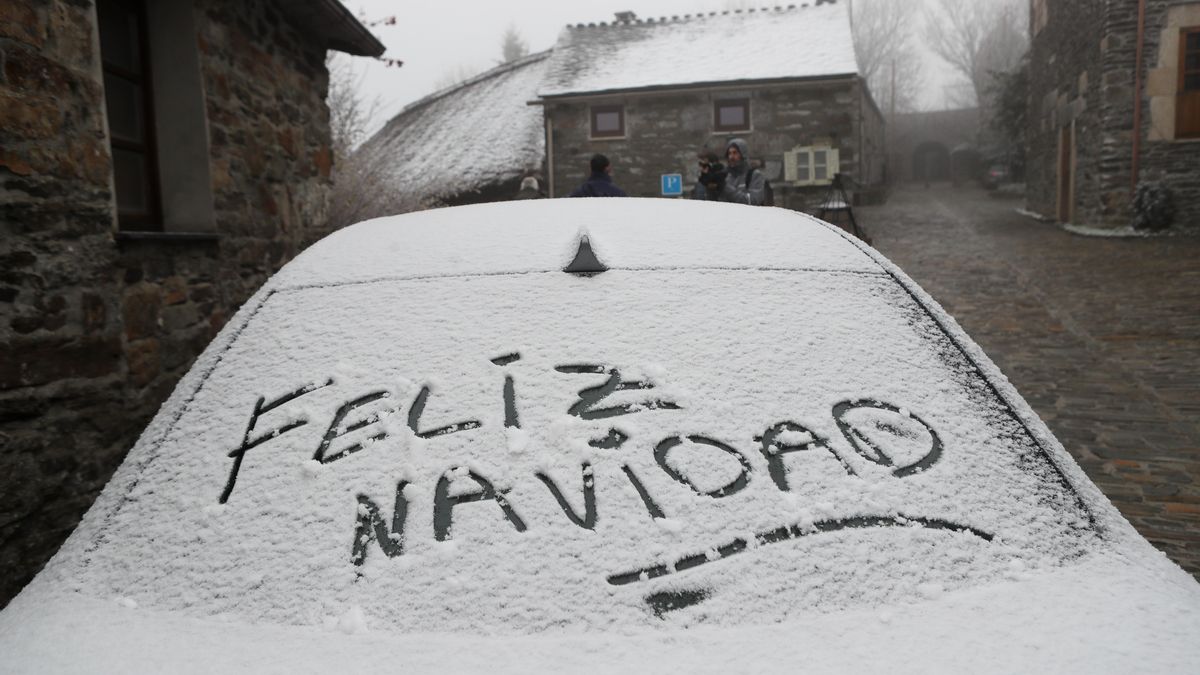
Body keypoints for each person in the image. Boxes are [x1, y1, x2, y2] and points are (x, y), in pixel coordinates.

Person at [716, 138, 766, 205]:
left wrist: (725, 187)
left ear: (743, 154)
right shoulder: (726, 176)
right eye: (729, 153)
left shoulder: (754, 175)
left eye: (735, 153)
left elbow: (753, 200)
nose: (731, 157)